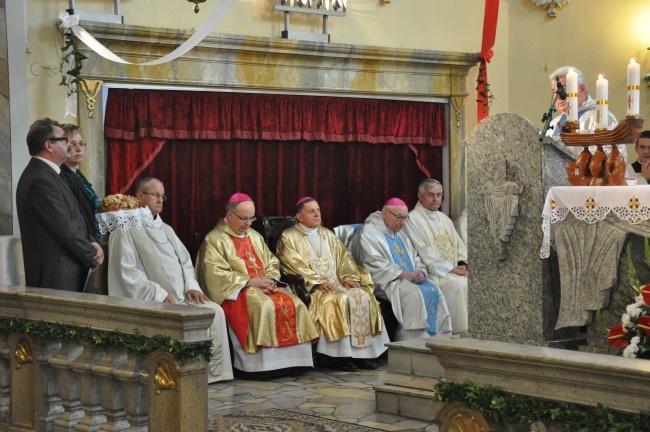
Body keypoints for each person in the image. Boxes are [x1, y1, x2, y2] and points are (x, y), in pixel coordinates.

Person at [107, 177, 233, 382]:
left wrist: (192, 286)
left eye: (162, 196)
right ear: (140, 196)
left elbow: (185, 262)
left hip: (182, 296)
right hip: (153, 298)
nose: (160, 200)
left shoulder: (166, 229)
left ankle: (209, 374)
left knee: (214, 311)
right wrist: (158, 292)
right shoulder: (125, 228)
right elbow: (125, 271)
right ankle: (180, 376)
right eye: (155, 195)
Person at [195, 193, 319, 378]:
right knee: (264, 306)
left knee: (295, 303)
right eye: (244, 218)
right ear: (229, 215)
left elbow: (271, 262)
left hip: (265, 286)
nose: (248, 223)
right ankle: (262, 367)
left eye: (251, 218)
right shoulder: (214, 240)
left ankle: (294, 363)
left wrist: (270, 279)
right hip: (238, 291)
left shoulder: (254, 236)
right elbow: (214, 274)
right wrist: (249, 282)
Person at [276, 197, 388, 371]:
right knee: (339, 299)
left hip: (337, 284)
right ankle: (337, 357)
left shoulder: (327, 234)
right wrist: (317, 283)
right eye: (311, 211)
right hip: (313, 289)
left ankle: (362, 355)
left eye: (318, 210)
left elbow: (344, 258)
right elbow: (291, 264)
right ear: (299, 216)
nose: (317, 214)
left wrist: (348, 277)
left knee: (362, 294)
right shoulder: (289, 237)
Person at [16, 118, 103, 292]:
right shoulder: (40, 179)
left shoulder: (50, 174)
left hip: (64, 268)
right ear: (49, 145)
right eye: (64, 139)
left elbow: (75, 217)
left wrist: (92, 243)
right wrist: (91, 254)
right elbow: (65, 229)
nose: (69, 145)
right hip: (56, 274)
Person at [349, 198, 452, 341]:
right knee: (413, 294)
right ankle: (413, 340)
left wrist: (421, 271)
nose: (403, 223)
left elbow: (416, 256)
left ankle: (439, 338)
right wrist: (400, 273)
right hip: (385, 280)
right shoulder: (369, 232)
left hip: (408, 277)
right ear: (385, 214)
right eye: (399, 218)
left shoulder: (399, 231)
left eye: (405, 218)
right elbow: (371, 262)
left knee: (435, 290)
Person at [403, 179, 468, 334]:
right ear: (420, 196)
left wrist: (462, 263)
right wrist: (449, 269)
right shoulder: (412, 219)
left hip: (453, 271)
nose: (436, 199)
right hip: (433, 273)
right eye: (431, 195)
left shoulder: (444, 218)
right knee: (459, 286)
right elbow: (422, 250)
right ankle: (460, 330)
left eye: (439, 195)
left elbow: (459, 245)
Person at [545, 66, 628, 162]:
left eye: (564, 89)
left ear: (582, 89)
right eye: (555, 92)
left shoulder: (601, 117)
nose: (559, 96)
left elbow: (615, 158)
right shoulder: (554, 123)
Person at [59, 124, 101, 243]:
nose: (79, 148)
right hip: (79, 244)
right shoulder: (61, 176)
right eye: (73, 144)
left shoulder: (78, 175)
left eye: (81, 143)